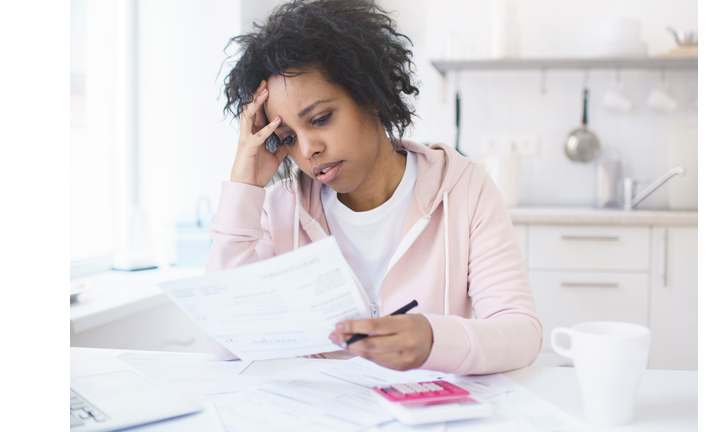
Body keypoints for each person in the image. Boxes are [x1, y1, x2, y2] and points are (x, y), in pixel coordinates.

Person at [205, 0, 542, 375]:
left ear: (371, 96)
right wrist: (243, 187)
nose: (307, 149)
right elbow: (226, 341)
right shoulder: (280, 207)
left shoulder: (463, 189)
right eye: (286, 137)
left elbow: (521, 332)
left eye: (320, 118)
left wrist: (433, 339)